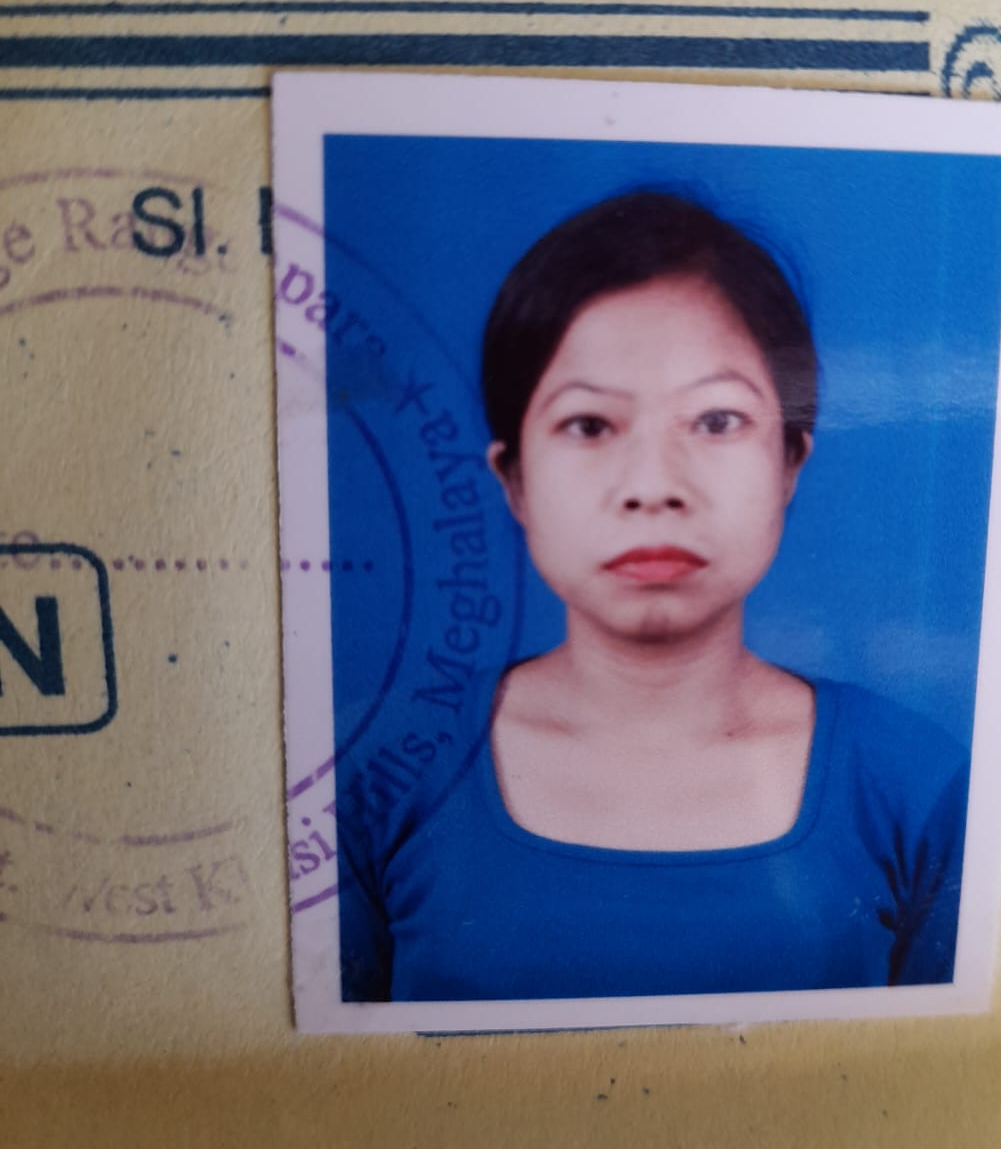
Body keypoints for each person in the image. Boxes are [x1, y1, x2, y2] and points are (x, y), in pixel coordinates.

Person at [339, 190, 968, 1002]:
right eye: (590, 426)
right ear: (513, 479)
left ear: (790, 463)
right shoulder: (377, 770)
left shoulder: (915, 784)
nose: (652, 486)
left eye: (716, 421)